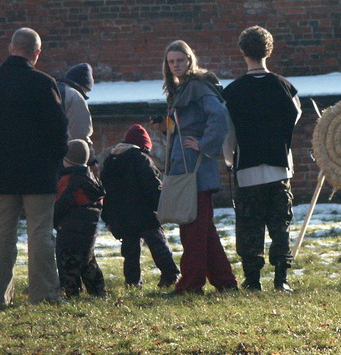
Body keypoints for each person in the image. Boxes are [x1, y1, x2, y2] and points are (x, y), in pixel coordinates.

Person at [153, 40, 237, 294]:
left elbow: (219, 116)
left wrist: (204, 144)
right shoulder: (181, 89)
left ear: (190, 60)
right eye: (171, 61)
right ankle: (225, 281)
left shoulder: (199, 87)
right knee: (201, 228)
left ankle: (190, 284)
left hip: (198, 169)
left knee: (194, 231)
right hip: (185, 167)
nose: (176, 65)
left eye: (180, 60)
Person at [222, 26, 301, 292]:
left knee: (249, 225)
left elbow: (228, 132)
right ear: (269, 50)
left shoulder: (232, 92)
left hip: (247, 169)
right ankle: (281, 278)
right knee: (280, 224)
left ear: (243, 52)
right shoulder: (284, 87)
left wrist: (228, 159)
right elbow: (295, 117)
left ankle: (253, 279)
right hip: (280, 166)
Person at [0, 28, 68, 305]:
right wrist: (55, 161)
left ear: (10, 48)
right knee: (39, 233)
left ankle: (2, 295)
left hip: (2, 173)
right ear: (36, 53)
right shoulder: (43, 83)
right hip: (38, 172)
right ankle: (44, 295)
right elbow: (58, 129)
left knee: (3, 233)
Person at [101, 124, 180, 288]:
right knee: (158, 246)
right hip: (145, 214)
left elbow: (105, 192)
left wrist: (108, 218)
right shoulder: (141, 159)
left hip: (122, 217)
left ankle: (132, 282)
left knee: (130, 252)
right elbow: (152, 186)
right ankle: (170, 275)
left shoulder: (110, 161)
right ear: (144, 145)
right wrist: (160, 206)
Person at [54, 139, 106, 298]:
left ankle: (71, 293)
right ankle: (98, 291)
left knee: (70, 265)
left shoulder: (68, 181)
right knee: (88, 263)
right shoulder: (91, 178)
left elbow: (61, 202)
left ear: (67, 160)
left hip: (70, 231)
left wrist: (53, 219)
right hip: (89, 232)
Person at [57, 63, 98, 171]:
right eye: (87, 91)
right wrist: (92, 160)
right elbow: (80, 135)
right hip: (64, 160)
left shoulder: (52, 90)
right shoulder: (75, 97)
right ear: (83, 86)